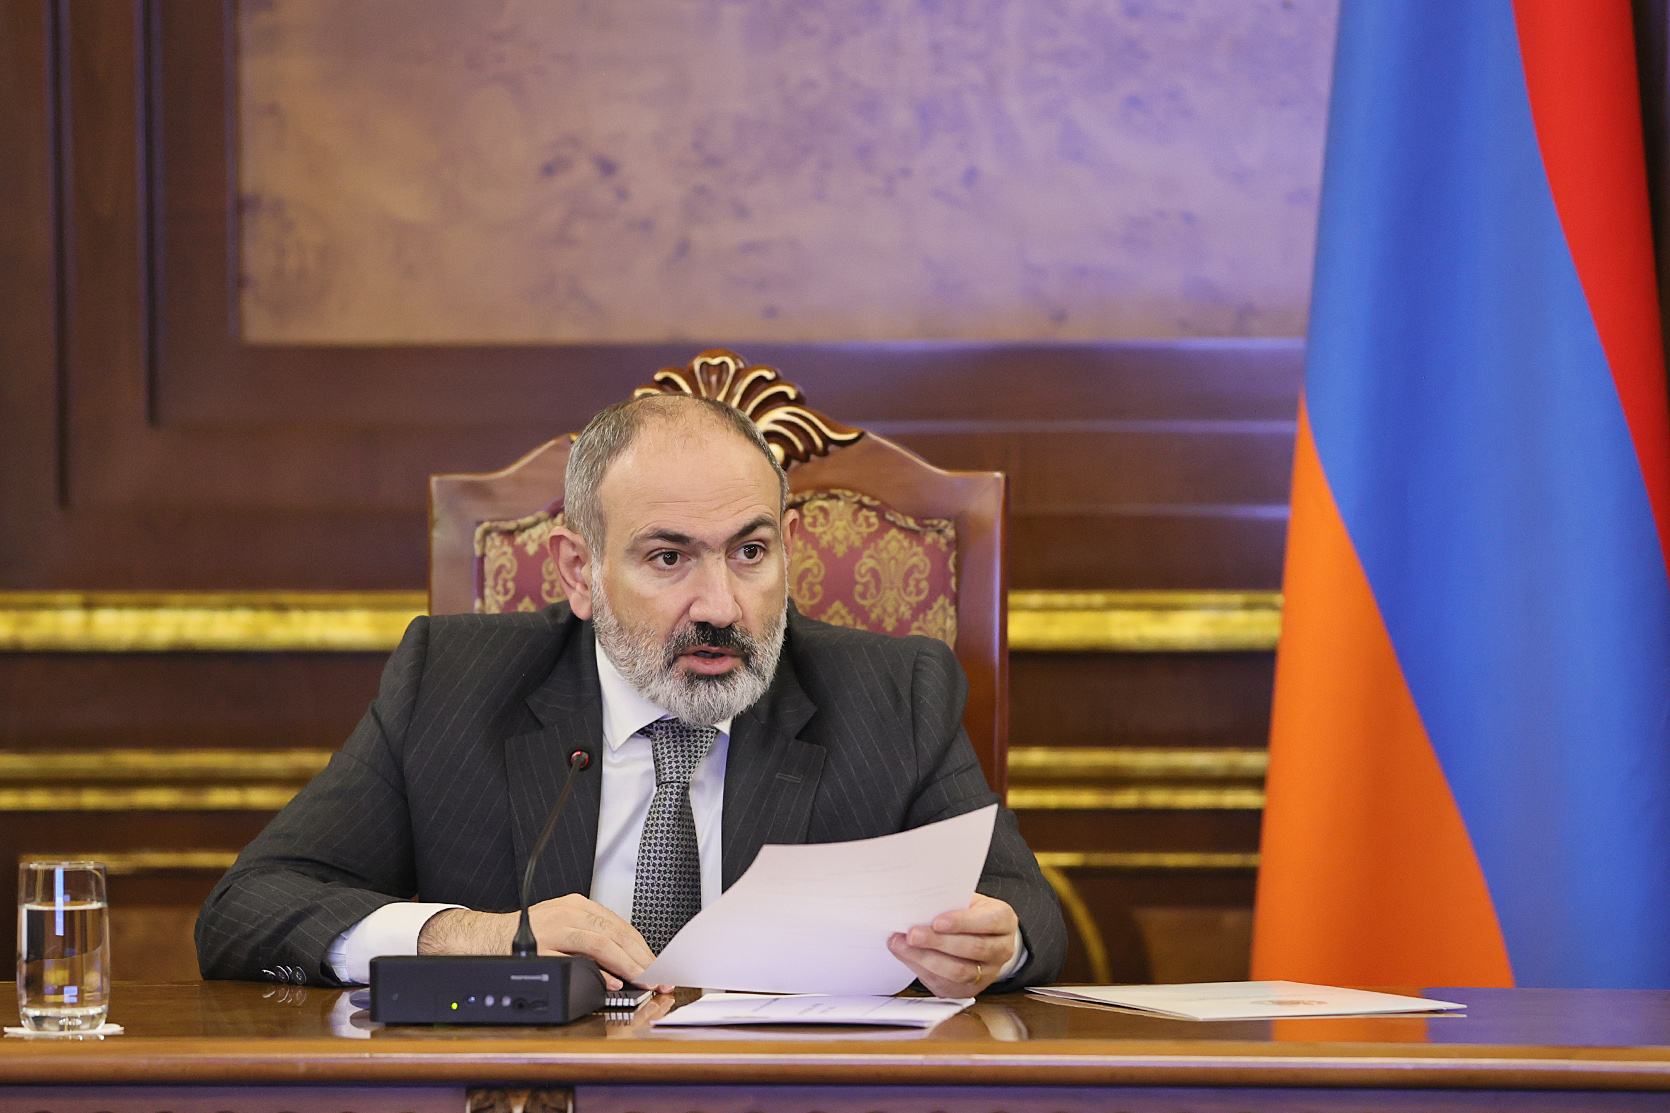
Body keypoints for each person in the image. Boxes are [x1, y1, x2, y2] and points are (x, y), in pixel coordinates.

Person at [196, 394, 1066, 996]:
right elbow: (248, 909)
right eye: (668, 557)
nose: (721, 605)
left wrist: (993, 942)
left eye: (751, 552)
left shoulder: (895, 691)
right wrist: (472, 936)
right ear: (580, 571)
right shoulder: (450, 683)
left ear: (789, 546)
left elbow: (1028, 911)